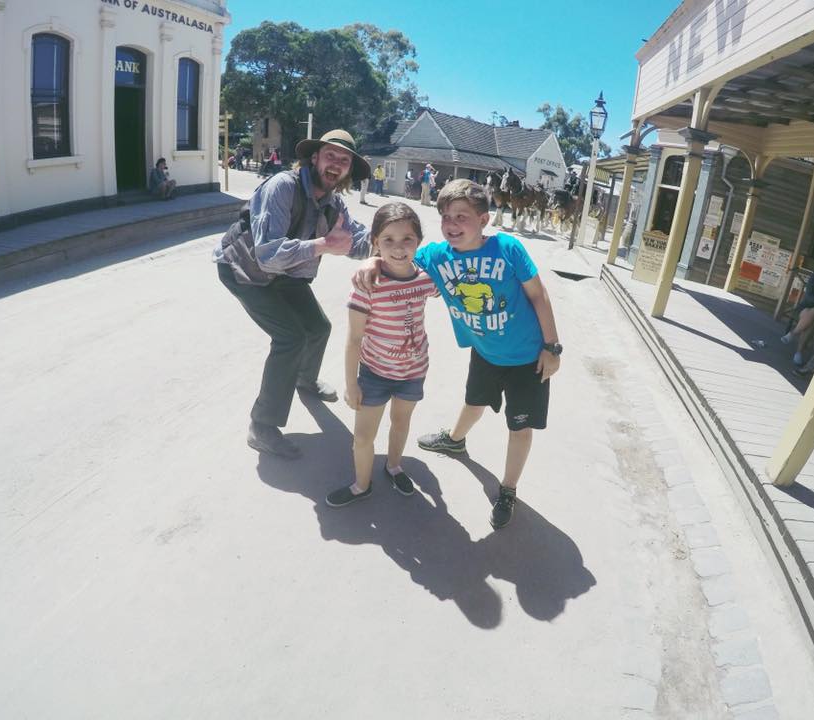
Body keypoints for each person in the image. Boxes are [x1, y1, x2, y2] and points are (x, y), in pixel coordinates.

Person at [354, 179, 561, 529]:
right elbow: (397, 259)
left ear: (485, 220)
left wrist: (552, 347)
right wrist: (371, 262)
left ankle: (508, 488)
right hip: (484, 350)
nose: (451, 224)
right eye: (446, 216)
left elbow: (539, 295)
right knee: (474, 401)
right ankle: (454, 440)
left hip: (528, 357)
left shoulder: (508, 249)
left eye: (461, 216)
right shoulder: (436, 256)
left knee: (520, 427)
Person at [213, 129, 373, 459]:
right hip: (246, 270)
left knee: (318, 327)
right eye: (330, 155)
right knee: (290, 338)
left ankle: (305, 380)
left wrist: (400, 244)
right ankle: (262, 426)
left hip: (286, 272)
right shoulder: (282, 187)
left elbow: (359, 241)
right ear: (314, 157)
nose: (336, 164)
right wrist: (322, 245)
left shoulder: (333, 203)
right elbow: (267, 254)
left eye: (344, 161)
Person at [326, 203, 439, 507]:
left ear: (419, 241)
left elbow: (453, 271)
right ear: (375, 241)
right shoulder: (368, 284)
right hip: (374, 375)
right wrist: (352, 384)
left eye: (407, 239)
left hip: (414, 372)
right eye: (388, 239)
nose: (399, 248)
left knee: (401, 424)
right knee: (363, 438)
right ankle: (361, 485)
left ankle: (394, 466)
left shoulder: (426, 279)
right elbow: (353, 340)